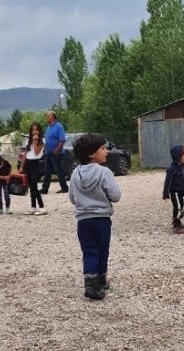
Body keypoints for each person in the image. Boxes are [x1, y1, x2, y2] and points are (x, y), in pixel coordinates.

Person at [68, 134, 121, 300]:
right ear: (92, 154)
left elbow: (72, 198)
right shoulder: (104, 172)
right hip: (102, 220)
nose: (106, 151)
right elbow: (115, 195)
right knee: (102, 250)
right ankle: (101, 280)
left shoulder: (75, 173)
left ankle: (90, 283)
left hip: (83, 221)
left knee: (89, 251)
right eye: (103, 148)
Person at [163, 145, 184, 234]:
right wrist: (166, 194)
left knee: (183, 208)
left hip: (183, 192)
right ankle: (175, 224)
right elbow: (167, 182)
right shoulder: (172, 169)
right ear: (178, 157)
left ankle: (178, 221)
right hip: (175, 192)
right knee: (177, 207)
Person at [20, 122, 47, 215]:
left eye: (36, 130)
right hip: (28, 164)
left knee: (34, 185)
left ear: (39, 131)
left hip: (37, 164)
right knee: (31, 186)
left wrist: (35, 141)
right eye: (33, 130)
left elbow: (36, 152)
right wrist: (21, 166)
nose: (34, 132)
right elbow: (25, 154)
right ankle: (33, 206)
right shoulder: (28, 141)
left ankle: (42, 207)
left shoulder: (42, 140)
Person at [41, 111, 69, 194]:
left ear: (53, 117)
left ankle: (64, 187)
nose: (46, 118)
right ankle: (44, 189)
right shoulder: (48, 128)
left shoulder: (59, 126)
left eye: (48, 116)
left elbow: (62, 139)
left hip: (56, 153)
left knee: (58, 170)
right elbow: (47, 140)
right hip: (48, 153)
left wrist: (57, 149)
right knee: (47, 171)